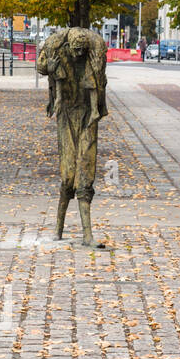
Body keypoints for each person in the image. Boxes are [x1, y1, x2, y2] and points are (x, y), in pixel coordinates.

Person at [37, 27, 108, 246]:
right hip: (67, 114)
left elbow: (98, 82)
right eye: (76, 51)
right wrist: (49, 68)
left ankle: (87, 234)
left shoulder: (94, 54)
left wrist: (96, 110)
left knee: (86, 171)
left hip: (87, 116)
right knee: (68, 174)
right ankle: (58, 227)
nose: (78, 55)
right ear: (69, 47)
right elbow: (41, 66)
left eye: (82, 52)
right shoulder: (56, 48)